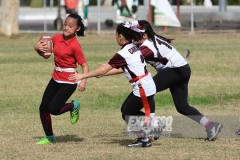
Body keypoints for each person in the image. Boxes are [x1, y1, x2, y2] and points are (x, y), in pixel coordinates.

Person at [68, 21, 163, 148]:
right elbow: (124, 68)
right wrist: (104, 74)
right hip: (146, 84)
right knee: (126, 110)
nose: (116, 37)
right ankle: (152, 126)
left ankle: (146, 136)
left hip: (142, 87)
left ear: (121, 36)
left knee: (127, 113)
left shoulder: (123, 52)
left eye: (116, 35)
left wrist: (82, 76)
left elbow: (103, 69)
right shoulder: (133, 47)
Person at [131, 20, 223, 141]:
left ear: (144, 34)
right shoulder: (151, 38)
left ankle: (154, 124)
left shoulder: (147, 45)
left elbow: (130, 61)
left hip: (174, 70)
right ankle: (211, 125)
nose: (132, 36)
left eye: (134, 33)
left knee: (148, 88)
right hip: (182, 69)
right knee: (182, 106)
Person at [34, 14, 89, 145]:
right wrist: (37, 49)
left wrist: (83, 80)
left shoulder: (75, 45)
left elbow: (84, 65)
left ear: (77, 28)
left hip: (69, 81)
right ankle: (50, 137)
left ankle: (73, 105)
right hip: (56, 78)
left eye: (71, 26)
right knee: (43, 108)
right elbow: (46, 55)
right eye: (65, 24)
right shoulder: (56, 38)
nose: (66, 27)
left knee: (53, 109)